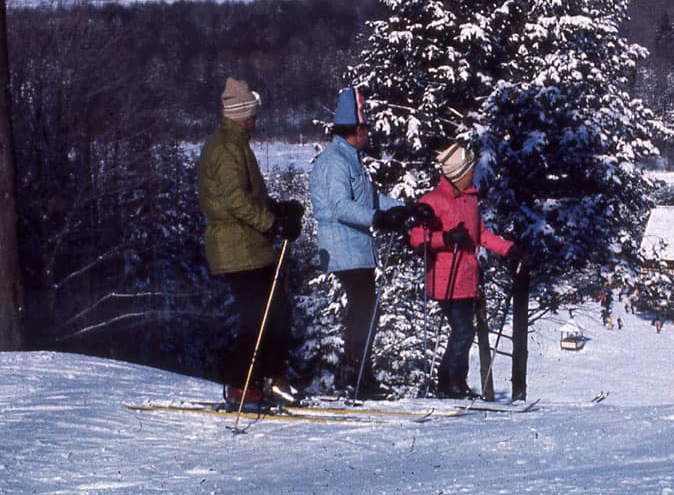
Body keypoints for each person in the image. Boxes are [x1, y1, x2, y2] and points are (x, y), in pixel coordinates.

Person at [311, 86, 424, 399]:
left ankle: (357, 373)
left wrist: (402, 209)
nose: (369, 135)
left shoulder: (351, 160)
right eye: (367, 129)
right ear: (357, 130)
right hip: (342, 244)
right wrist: (378, 218)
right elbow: (340, 206)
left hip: (355, 246)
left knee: (365, 308)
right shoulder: (335, 161)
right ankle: (355, 375)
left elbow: (369, 199)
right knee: (364, 307)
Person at [198, 77, 305, 407]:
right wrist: (271, 223)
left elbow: (247, 196)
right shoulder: (227, 147)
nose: (256, 121)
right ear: (243, 113)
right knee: (258, 316)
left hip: (248, 243)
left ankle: (267, 377)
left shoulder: (235, 143)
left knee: (275, 311)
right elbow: (234, 200)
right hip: (236, 245)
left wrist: (276, 208)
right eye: (253, 115)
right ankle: (242, 383)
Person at [408, 143, 526, 399]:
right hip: (445, 279)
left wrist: (508, 249)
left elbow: (480, 234)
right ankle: (450, 382)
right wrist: (447, 239)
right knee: (463, 330)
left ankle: (453, 382)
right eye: (469, 171)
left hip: (466, 278)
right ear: (458, 174)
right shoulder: (431, 202)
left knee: (464, 330)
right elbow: (417, 239)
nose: (473, 175)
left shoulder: (470, 200)